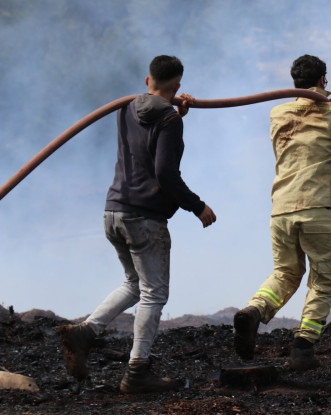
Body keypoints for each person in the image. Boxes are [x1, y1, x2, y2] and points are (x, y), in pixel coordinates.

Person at [56, 55, 216, 393]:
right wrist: (197, 206)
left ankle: (85, 332)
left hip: (113, 212)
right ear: (177, 87)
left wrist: (175, 113)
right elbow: (164, 173)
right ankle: (138, 371)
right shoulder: (169, 120)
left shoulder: (125, 107)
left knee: (133, 283)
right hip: (143, 218)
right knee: (154, 294)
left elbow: (146, 135)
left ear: (147, 81)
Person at [233, 55, 331, 369]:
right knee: (321, 278)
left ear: (294, 82)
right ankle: (303, 346)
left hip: (282, 210)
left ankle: (254, 311)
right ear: (322, 81)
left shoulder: (278, 113)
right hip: (317, 210)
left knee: (285, 273)